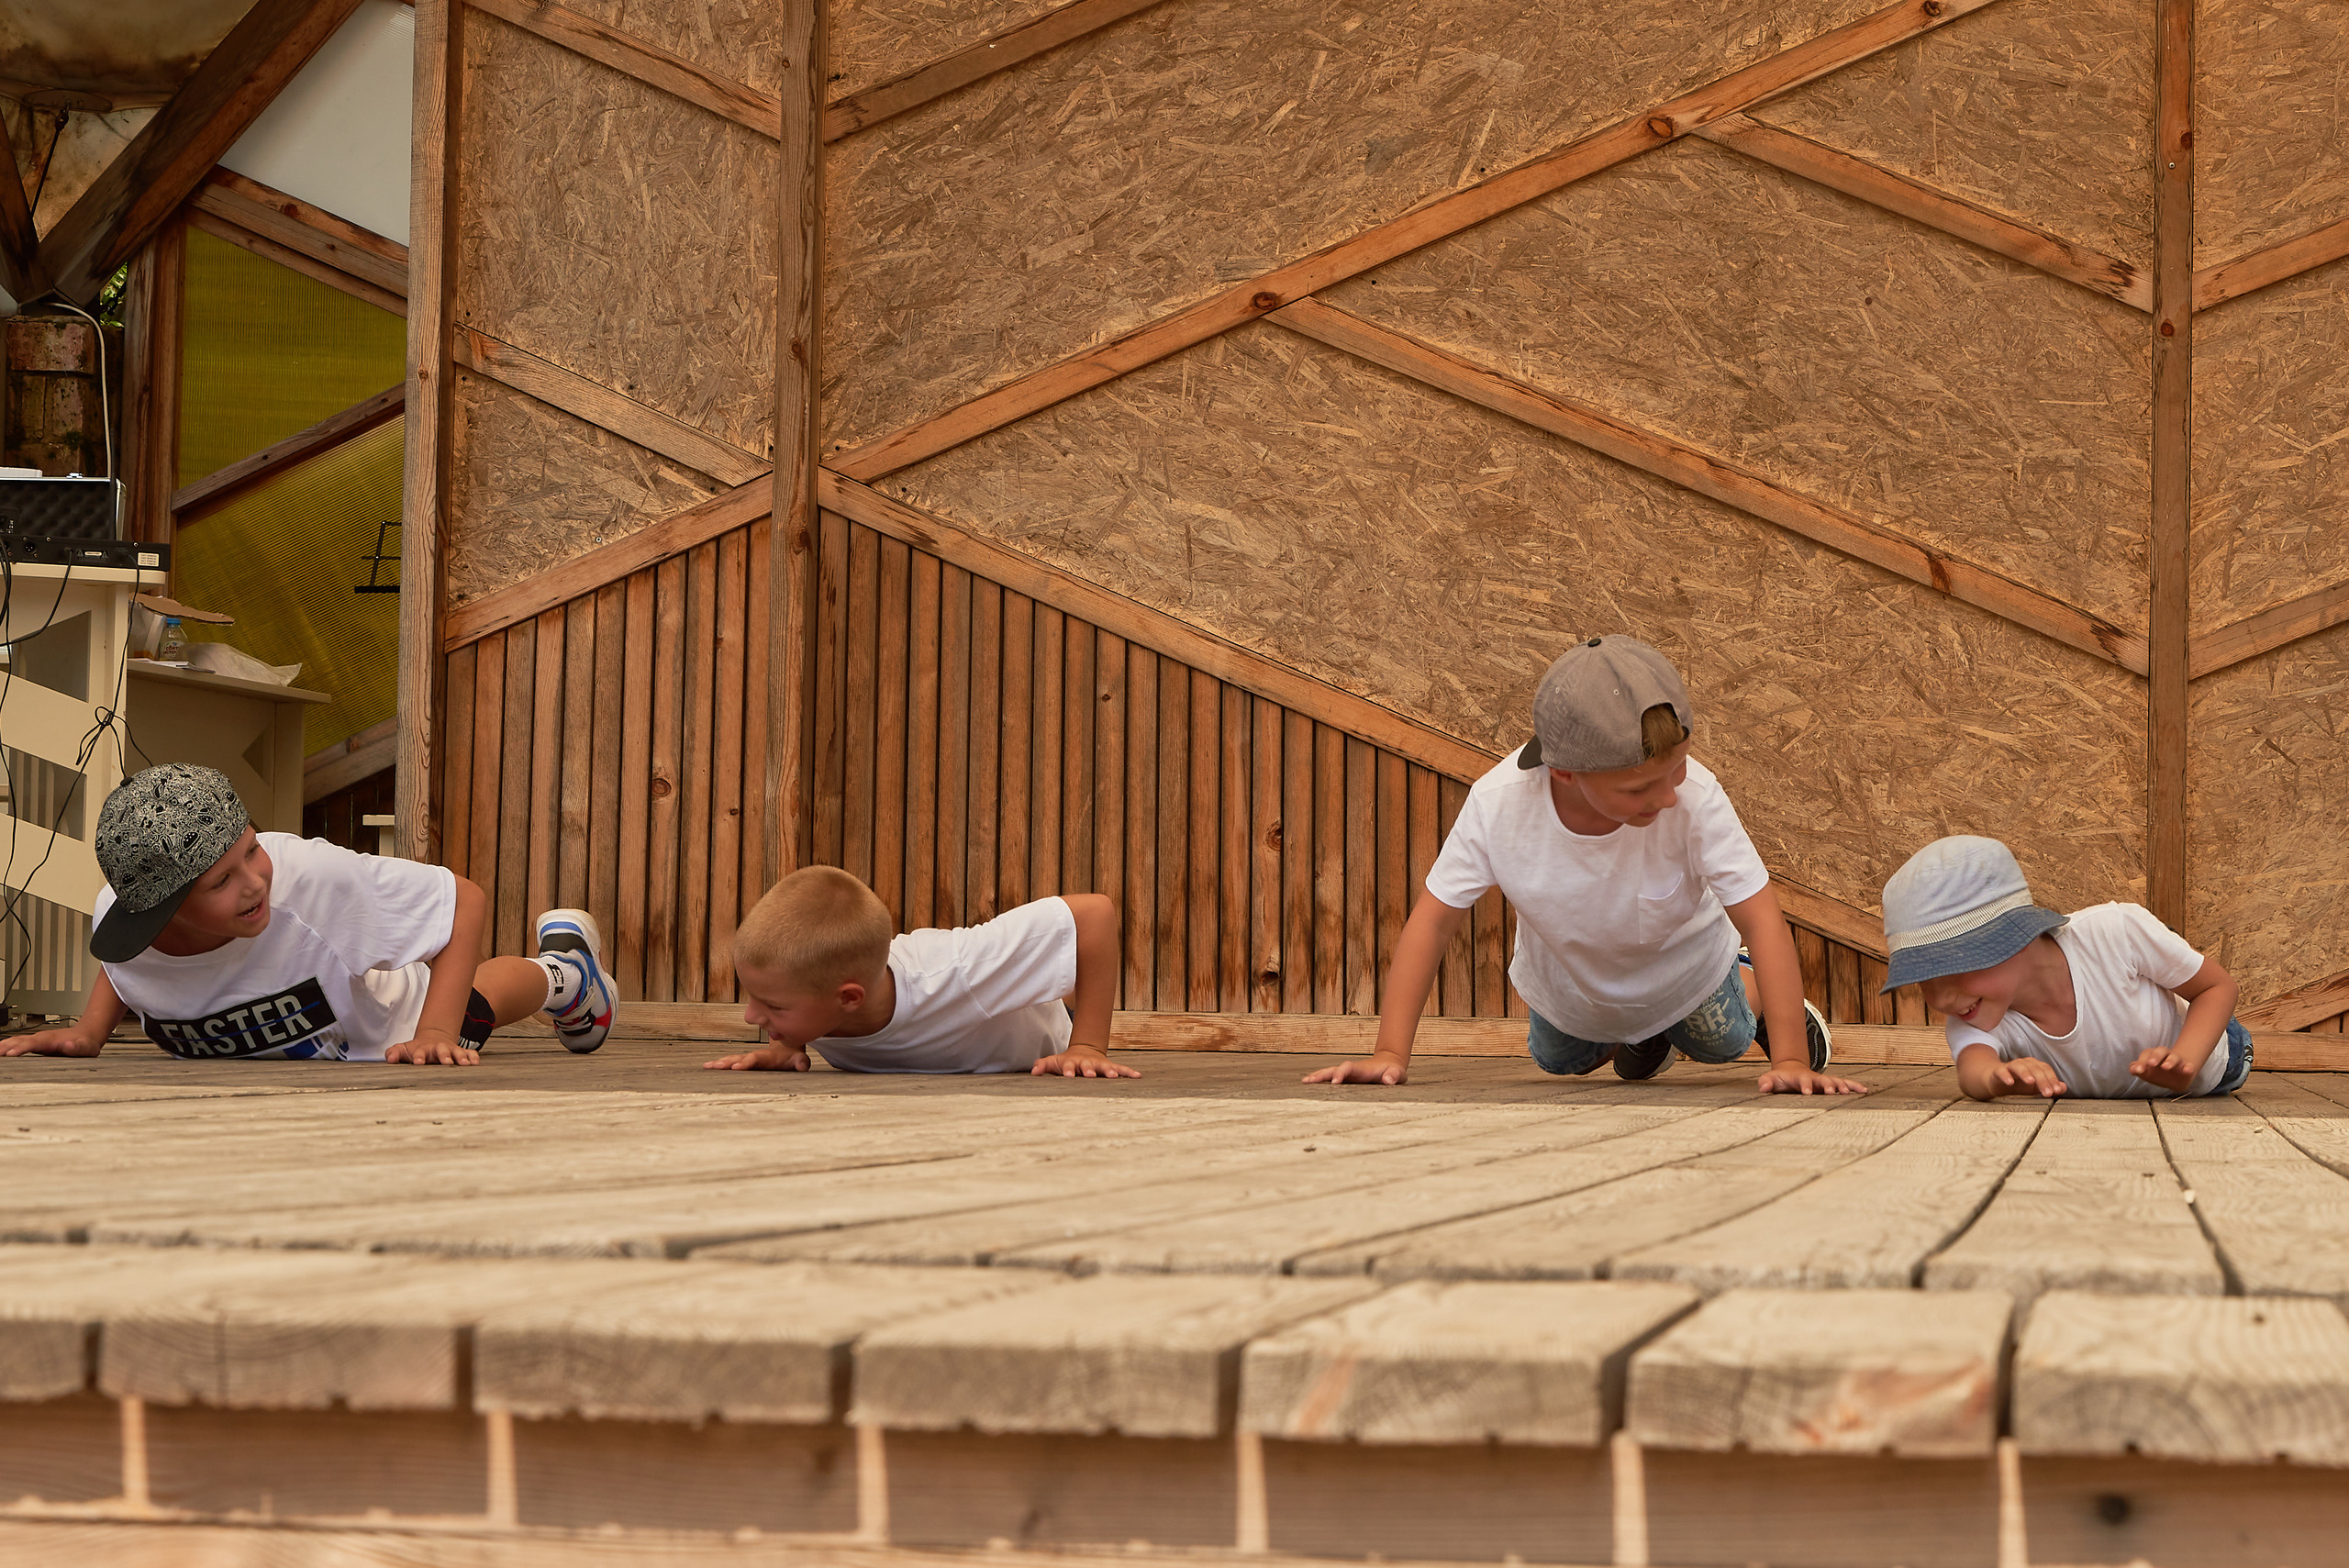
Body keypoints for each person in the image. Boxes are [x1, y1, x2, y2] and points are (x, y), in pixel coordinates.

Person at [1308, 635, 1863, 1095]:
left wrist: (1790, 1058)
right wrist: (1388, 1052)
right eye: (1641, 787)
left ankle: (1743, 983)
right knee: (1559, 1063)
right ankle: (1642, 1036)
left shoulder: (1695, 797)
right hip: (1574, 985)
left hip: (1684, 970)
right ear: (1565, 772)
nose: (1669, 797)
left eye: (1676, 772)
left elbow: (1762, 916)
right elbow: (1433, 920)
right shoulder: (1500, 804)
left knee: (1724, 1045)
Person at [0, 763, 614, 1064]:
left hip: (393, 1029)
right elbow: (126, 960)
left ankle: (569, 972)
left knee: (477, 1004)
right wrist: (89, 1032)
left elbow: (462, 901)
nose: (254, 880)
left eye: (252, 848)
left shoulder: (309, 879)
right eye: (222, 880)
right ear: (159, 915)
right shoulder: (122, 917)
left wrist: (434, 1033)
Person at [1882, 835, 2249, 1099]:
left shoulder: (2115, 930)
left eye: (1957, 967)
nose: (1942, 999)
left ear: (2015, 936)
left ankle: (2166, 962)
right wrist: (2000, 1078)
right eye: (1923, 980)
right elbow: (1973, 1071)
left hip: (2215, 1059)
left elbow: (2218, 988)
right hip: (2123, 1093)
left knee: (2170, 975)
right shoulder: (1975, 1016)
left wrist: (2185, 1063)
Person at [705, 865, 1136, 1078]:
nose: (750, 1018)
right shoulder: (822, 985)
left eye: (773, 1006)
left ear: (848, 998)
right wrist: (787, 1043)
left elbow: (1094, 912)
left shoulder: (958, 971)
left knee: (1049, 993)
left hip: (1054, 1024)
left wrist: (1088, 1046)